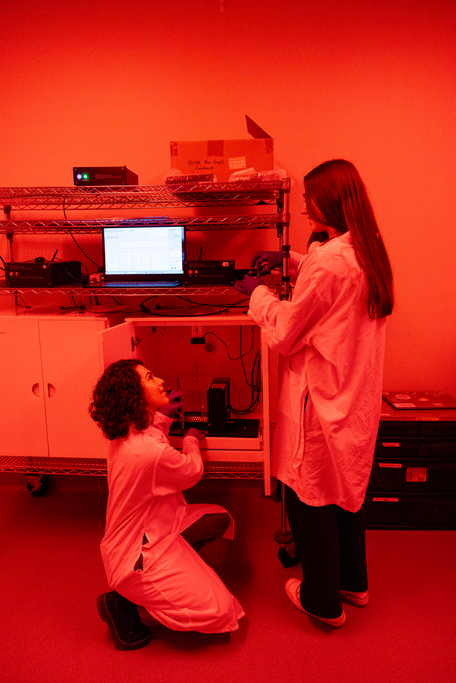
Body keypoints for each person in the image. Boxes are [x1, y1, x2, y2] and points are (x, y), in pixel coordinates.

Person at [235, 159, 394, 628]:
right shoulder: (368, 249)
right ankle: (354, 583)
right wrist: (292, 262)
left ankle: (322, 600)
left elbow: (285, 334)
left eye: (307, 198)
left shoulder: (329, 259)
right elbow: (333, 286)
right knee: (347, 488)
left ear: (327, 199)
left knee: (312, 493)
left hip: (320, 397)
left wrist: (258, 293)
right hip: (354, 396)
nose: (304, 208)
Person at [89, 359, 244, 650]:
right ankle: (127, 607)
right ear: (134, 393)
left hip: (145, 535)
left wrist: (160, 415)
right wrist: (190, 440)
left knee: (218, 517)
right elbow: (190, 470)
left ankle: (175, 576)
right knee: (221, 609)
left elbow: (152, 437)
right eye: (150, 377)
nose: (160, 380)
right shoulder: (149, 451)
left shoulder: (126, 431)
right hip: (137, 560)